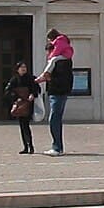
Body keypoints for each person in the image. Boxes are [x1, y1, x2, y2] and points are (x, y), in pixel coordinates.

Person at [36, 28, 74, 156]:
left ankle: (57, 147)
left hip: (58, 92)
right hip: (61, 91)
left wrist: (44, 77)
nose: (47, 55)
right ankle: (58, 146)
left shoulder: (59, 60)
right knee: (56, 117)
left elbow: (59, 77)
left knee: (54, 118)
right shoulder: (65, 58)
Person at [5, 60, 40, 154]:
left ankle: (30, 146)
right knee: (22, 125)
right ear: (17, 69)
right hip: (20, 105)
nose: (24, 69)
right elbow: (8, 91)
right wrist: (16, 98)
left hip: (28, 104)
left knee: (26, 125)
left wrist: (33, 94)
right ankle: (25, 146)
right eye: (22, 67)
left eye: (25, 67)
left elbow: (37, 88)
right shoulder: (14, 79)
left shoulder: (31, 78)